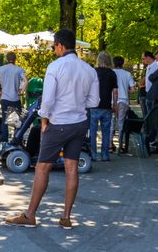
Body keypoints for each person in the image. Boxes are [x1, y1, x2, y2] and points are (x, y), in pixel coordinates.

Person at [6, 29, 98, 230]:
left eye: (54, 46)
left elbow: (47, 100)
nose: (54, 50)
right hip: (79, 122)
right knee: (71, 168)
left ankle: (30, 215)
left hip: (59, 123)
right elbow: (94, 100)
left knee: (42, 168)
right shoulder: (89, 70)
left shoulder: (55, 67)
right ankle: (66, 216)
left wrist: (45, 120)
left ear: (60, 45)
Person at [89, 51, 118, 162]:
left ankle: (93, 154)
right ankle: (105, 155)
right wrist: (114, 105)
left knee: (93, 131)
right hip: (106, 106)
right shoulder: (112, 73)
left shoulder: (93, 72)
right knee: (106, 131)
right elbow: (115, 92)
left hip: (94, 105)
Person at [0, 52, 27, 133]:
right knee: (17, 122)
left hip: (4, 98)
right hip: (15, 98)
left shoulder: (1, 69)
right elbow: (26, 81)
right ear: (15, 59)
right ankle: (16, 140)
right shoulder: (19, 69)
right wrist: (21, 92)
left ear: (6, 59)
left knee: (5, 121)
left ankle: (4, 141)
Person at [112, 56, 137, 152]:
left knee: (111, 124)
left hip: (112, 101)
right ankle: (121, 144)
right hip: (123, 100)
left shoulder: (111, 72)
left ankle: (110, 144)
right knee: (121, 123)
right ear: (122, 63)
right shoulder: (127, 74)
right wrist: (125, 90)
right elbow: (133, 89)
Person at [140, 51, 158, 116]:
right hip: (148, 94)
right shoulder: (148, 66)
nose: (142, 61)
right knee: (149, 116)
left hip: (154, 94)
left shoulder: (157, 65)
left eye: (143, 58)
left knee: (153, 115)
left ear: (148, 57)